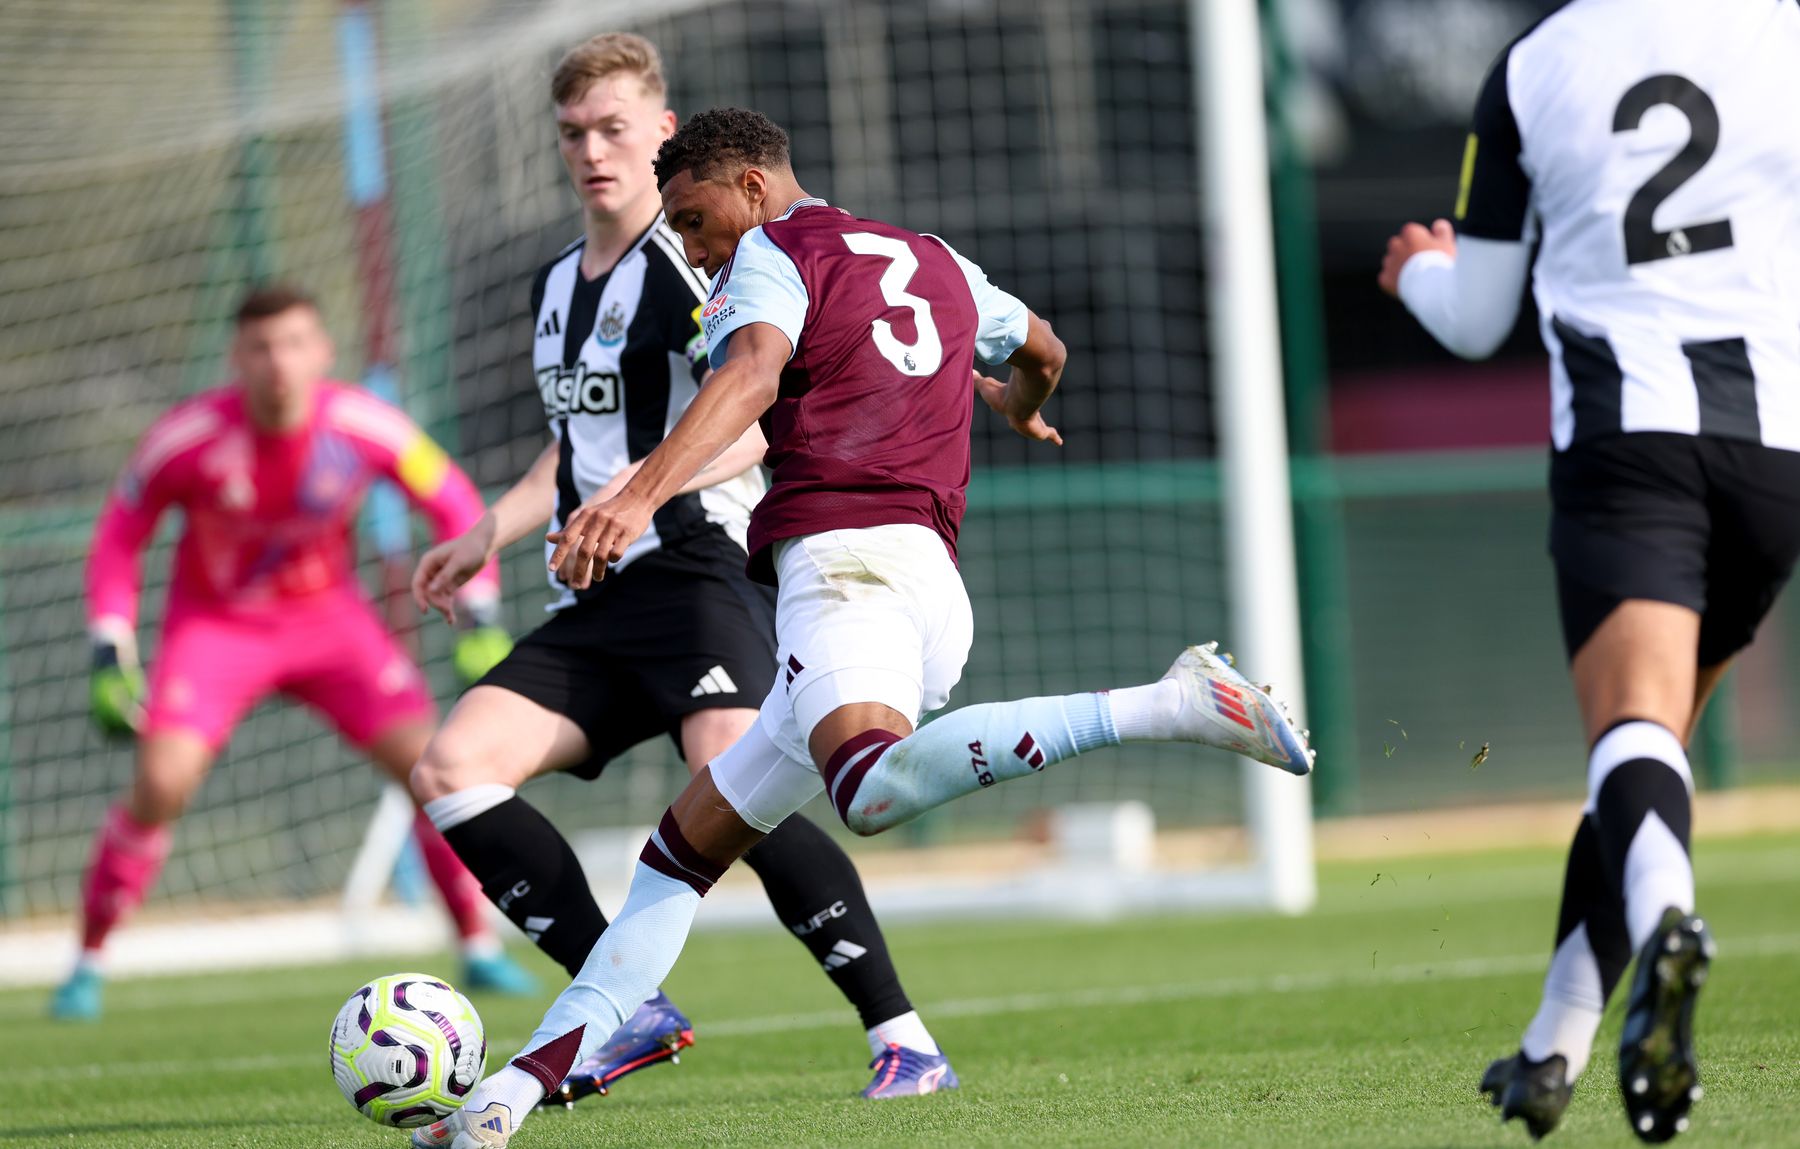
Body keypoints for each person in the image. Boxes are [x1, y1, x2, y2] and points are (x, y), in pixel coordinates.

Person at [412, 106, 1312, 1148]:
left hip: (846, 569)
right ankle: (502, 1105)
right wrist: (1018, 403)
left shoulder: (774, 251)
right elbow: (1047, 346)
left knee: (869, 793)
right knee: (675, 860)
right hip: (918, 584)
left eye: (698, 219)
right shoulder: (935, 259)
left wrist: (634, 497)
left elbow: (747, 378)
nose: (697, 249)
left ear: (752, 186)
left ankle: (1169, 702)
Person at [407, 34, 951, 1104]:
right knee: (450, 770)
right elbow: (582, 444)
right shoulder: (557, 283)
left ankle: (903, 1035)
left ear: (663, 133)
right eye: (573, 133)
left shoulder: (696, 262)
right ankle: (628, 1005)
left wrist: (645, 492)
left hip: (697, 574)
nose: (591, 151)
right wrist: (494, 525)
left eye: (614, 129)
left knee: (735, 791)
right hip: (597, 595)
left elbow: (753, 418)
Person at [1378, 1, 1800, 1140]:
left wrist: (1419, 269)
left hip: (1633, 448)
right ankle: (1554, 1045)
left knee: (1630, 737)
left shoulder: (1532, 67)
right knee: (1645, 751)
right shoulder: (1779, 32)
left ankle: (1670, 924)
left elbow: (1474, 319)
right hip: (1775, 456)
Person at [56, 286, 536, 1022]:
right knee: (161, 781)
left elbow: (452, 498)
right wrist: (109, 648)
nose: (278, 362)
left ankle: (477, 947)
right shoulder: (185, 438)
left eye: (293, 343)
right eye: (260, 347)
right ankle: (87, 962)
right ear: (236, 358)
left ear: (322, 351)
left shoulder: (361, 422)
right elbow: (120, 534)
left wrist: (478, 612)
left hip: (329, 623)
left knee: (436, 768)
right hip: (216, 630)